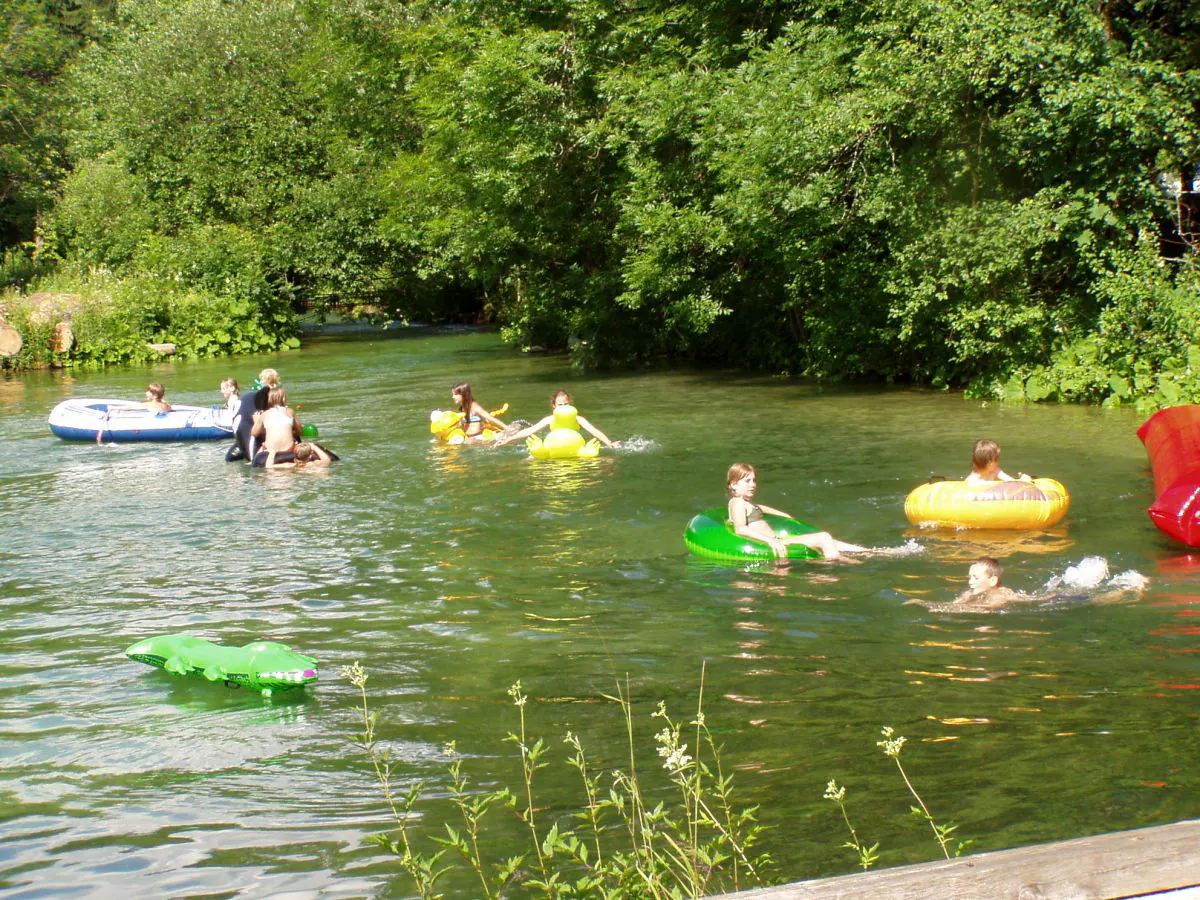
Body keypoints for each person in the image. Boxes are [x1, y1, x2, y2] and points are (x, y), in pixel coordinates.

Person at [726, 462, 867, 560]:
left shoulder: (746, 503)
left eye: (754, 480)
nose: (753, 485)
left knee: (834, 542)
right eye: (747, 481)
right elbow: (740, 529)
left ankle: (871, 552)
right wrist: (770, 541)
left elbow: (760, 508)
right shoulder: (738, 503)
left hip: (778, 540)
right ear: (734, 484)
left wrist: (785, 516)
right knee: (823, 537)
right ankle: (833, 566)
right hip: (771, 544)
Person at [493, 390, 619, 448]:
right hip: (554, 446)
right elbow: (529, 431)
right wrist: (507, 440)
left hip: (573, 446)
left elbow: (594, 431)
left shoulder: (578, 419)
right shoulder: (549, 419)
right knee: (527, 461)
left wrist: (609, 443)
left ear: (570, 404)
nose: (563, 407)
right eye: (560, 405)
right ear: (554, 406)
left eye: (566, 404)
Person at [228, 368, 280, 462]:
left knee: (230, 458)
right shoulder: (268, 394)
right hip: (249, 431)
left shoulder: (255, 395)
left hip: (241, 432)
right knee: (253, 459)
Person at [250, 386, 303, 467]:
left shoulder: (264, 414)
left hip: (270, 453)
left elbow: (254, 433)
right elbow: (300, 431)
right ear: (284, 399)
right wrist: (291, 432)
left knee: (256, 457)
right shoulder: (290, 412)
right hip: (289, 451)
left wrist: (256, 420)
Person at [965, 439, 1032, 485]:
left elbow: (1012, 482)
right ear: (990, 463)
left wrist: (1024, 481)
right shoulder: (971, 480)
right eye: (996, 460)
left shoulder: (995, 471)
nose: (998, 463)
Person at [261, 442, 335, 469]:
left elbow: (268, 466)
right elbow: (327, 460)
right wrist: (314, 446)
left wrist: (273, 452)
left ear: (294, 456)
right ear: (310, 456)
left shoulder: (289, 466)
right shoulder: (314, 464)